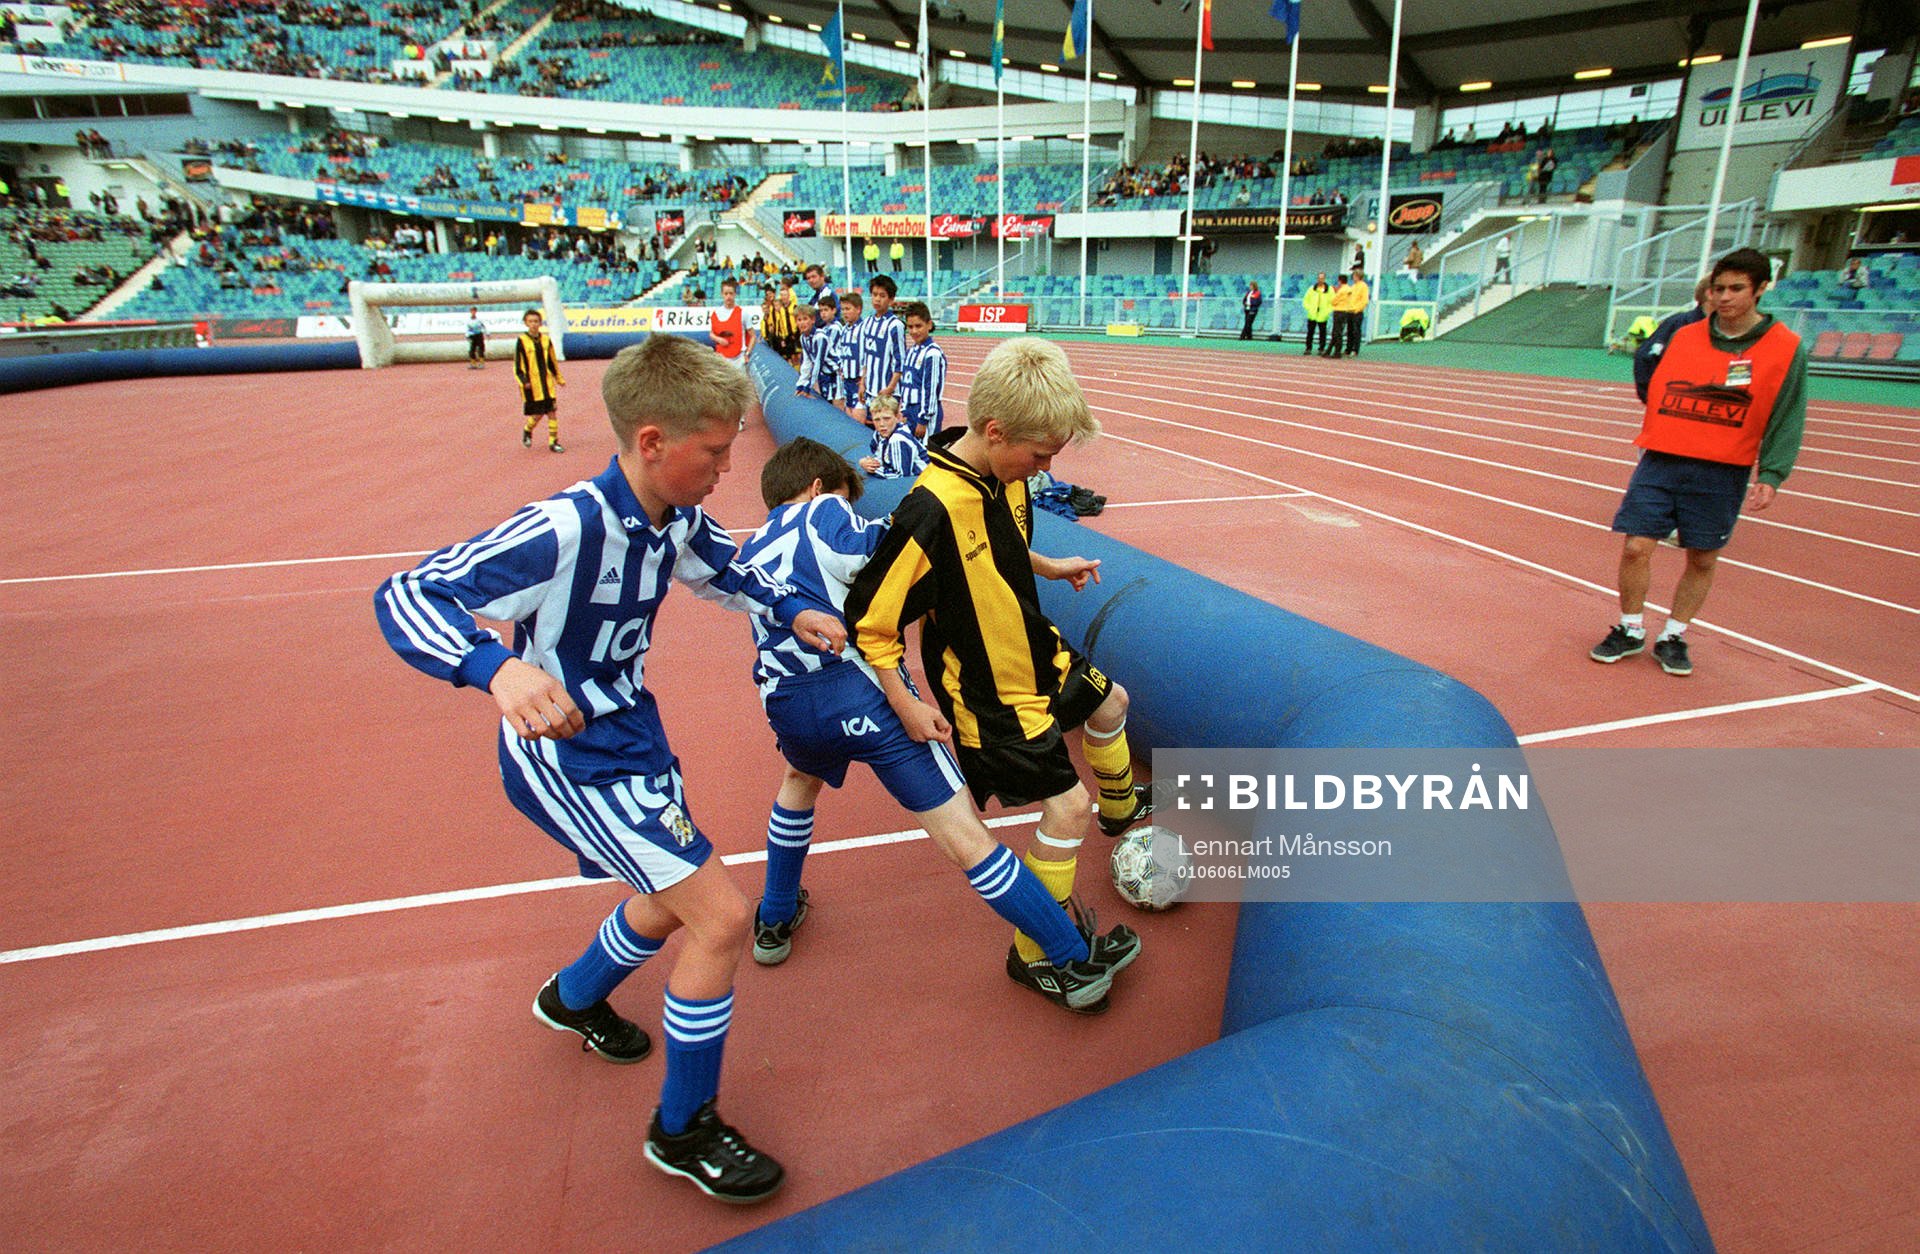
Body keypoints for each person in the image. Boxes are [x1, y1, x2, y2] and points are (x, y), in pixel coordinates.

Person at [374, 335, 849, 1204]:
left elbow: (727, 569)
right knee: (719, 918)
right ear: (653, 442)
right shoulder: (565, 525)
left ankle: (576, 996)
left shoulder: (672, 520)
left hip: (634, 738)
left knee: (671, 904)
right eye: (714, 451)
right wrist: (498, 669)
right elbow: (409, 592)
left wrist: (794, 609)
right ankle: (683, 1128)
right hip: (570, 756)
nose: (726, 468)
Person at [736, 438, 1136, 1010]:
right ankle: (1068, 959)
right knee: (965, 838)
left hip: (787, 699)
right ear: (820, 487)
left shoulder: (756, 542)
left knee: (799, 784)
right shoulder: (822, 510)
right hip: (862, 696)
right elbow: (897, 552)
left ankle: (774, 917)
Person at [843, 337, 1154, 1007]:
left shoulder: (1004, 475)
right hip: (990, 692)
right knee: (1066, 808)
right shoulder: (931, 508)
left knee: (1112, 704)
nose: (1045, 468)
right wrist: (902, 701)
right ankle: (1037, 954)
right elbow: (870, 617)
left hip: (1031, 645)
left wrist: (1048, 566)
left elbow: (1000, 548)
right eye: (1040, 455)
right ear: (994, 430)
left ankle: (1123, 808)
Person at [1590, 249, 1809, 677]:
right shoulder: (1685, 333)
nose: (1724, 297)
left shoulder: (1785, 348)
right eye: (1718, 288)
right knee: (1636, 547)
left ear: (1761, 289)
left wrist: (1773, 472)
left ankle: (1674, 635)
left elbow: (1788, 411)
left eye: (1736, 289)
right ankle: (1631, 628)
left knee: (1703, 558)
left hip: (1723, 468)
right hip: (1662, 459)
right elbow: (1650, 372)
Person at [1631, 276, 1710, 400]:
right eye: (1721, 289)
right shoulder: (1679, 323)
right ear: (1709, 293)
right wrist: (1654, 398)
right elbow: (1646, 356)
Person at [854, 274, 906, 424]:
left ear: (891, 299)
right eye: (874, 295)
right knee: (872, 429)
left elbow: (900, 361)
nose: (877, 299)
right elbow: (866, 358)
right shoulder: (867, 322)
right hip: (870, 390)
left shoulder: (895, 325)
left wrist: (890, 388)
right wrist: (862, 383)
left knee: (888, 429)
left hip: (888, 392)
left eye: (882, 296)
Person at [896, 299, 948, 440]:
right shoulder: (911, 351)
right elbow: (907, 384)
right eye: (910, 327)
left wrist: (923, 419)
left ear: (929, 324)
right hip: (911, 412)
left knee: (926, 455)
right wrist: (905, 412)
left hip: (925, 415)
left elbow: (931, 389)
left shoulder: (933, 353)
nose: (914, 331)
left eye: (918, 326)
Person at [515, 309, 565, 453]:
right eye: (530, 321)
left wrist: (558, 378)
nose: (534, 324)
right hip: (532, 385)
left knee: (552, 412)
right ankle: (527, 429)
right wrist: (523, 381)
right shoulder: (522, 341)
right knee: (538, 414)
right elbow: (518, 364)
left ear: (540, 323)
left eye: (536, 321)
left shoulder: (546, 340)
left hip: (547, 384)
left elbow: (552, 361)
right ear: (526, 323)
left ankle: (553, 442)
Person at [857, 397, 926, 480]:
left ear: (897, 417)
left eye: (887, 419)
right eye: (877, 420)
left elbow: (900, 477)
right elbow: (880, 459)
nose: (882, 424)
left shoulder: (898, 439)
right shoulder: (879, 434)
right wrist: (865, 463)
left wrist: (874, 469)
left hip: (924, 480)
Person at [828, 289, 863, 416]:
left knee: (859, 417)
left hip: (859, 381)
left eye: (848, 309)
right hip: (847, 381)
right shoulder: (844, 330)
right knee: (848, 413)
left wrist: (864, 378)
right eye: (843, 309)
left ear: (858, 309)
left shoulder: (864, 329)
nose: (844, 313)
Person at [793, 303, 831, 400]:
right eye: (799, 320)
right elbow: (806, 362)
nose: (802, 323)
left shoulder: (820, 337)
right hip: (823, 375)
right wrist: (800, 384)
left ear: (813, 320)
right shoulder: (803, 338)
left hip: (834, 374)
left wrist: (807, 388)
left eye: (805, 319)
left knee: (835, 405)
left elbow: (818, 363)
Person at [709, 277, 752, 363]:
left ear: (735, 294)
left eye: (731, 293)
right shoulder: (715, 313)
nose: (728, 296)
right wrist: (719, 339)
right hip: (721, 358)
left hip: (738, 358)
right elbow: (711, 334)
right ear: (722, 294)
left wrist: (747, 353)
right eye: (726, 293)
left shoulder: (743, 313)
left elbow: (753, 336)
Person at [1302, 273, 1332, 356]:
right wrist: (1310, 308)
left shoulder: (1329, 290)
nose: (1320, 280)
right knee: (1310, 332)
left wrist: (1327, 311)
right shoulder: (1312, 289)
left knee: (1322, 333)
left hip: (1323, 315)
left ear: (1325, 279)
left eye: (1322, 278)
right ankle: (1308, 348)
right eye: (1319, 278)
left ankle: (1321, 348)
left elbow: (1332, 301)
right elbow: (1305, 300)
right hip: (1312, 315)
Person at [1343, 267, 1370, 357]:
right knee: (1349, 331)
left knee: (1356, 331)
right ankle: (1348, 349)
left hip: (1356, 312)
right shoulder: (1353, 286)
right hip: (1349, 311)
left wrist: (1357, 309)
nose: (1353, 277)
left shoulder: (1363, 286)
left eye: (1354, 275)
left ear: (1358, 276)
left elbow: (1364, 300)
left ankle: (1355, 350)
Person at [1325, 273, 1353, 358]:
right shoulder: (1349, 289)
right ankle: (1329, 351)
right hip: (1346, 311)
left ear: (1340, 281)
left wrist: (1335, 292)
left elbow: (1333, 301)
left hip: (1339, 311)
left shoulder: (1341, 290)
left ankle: (1337, 352)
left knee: (1337, 332)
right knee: (1338, 332)